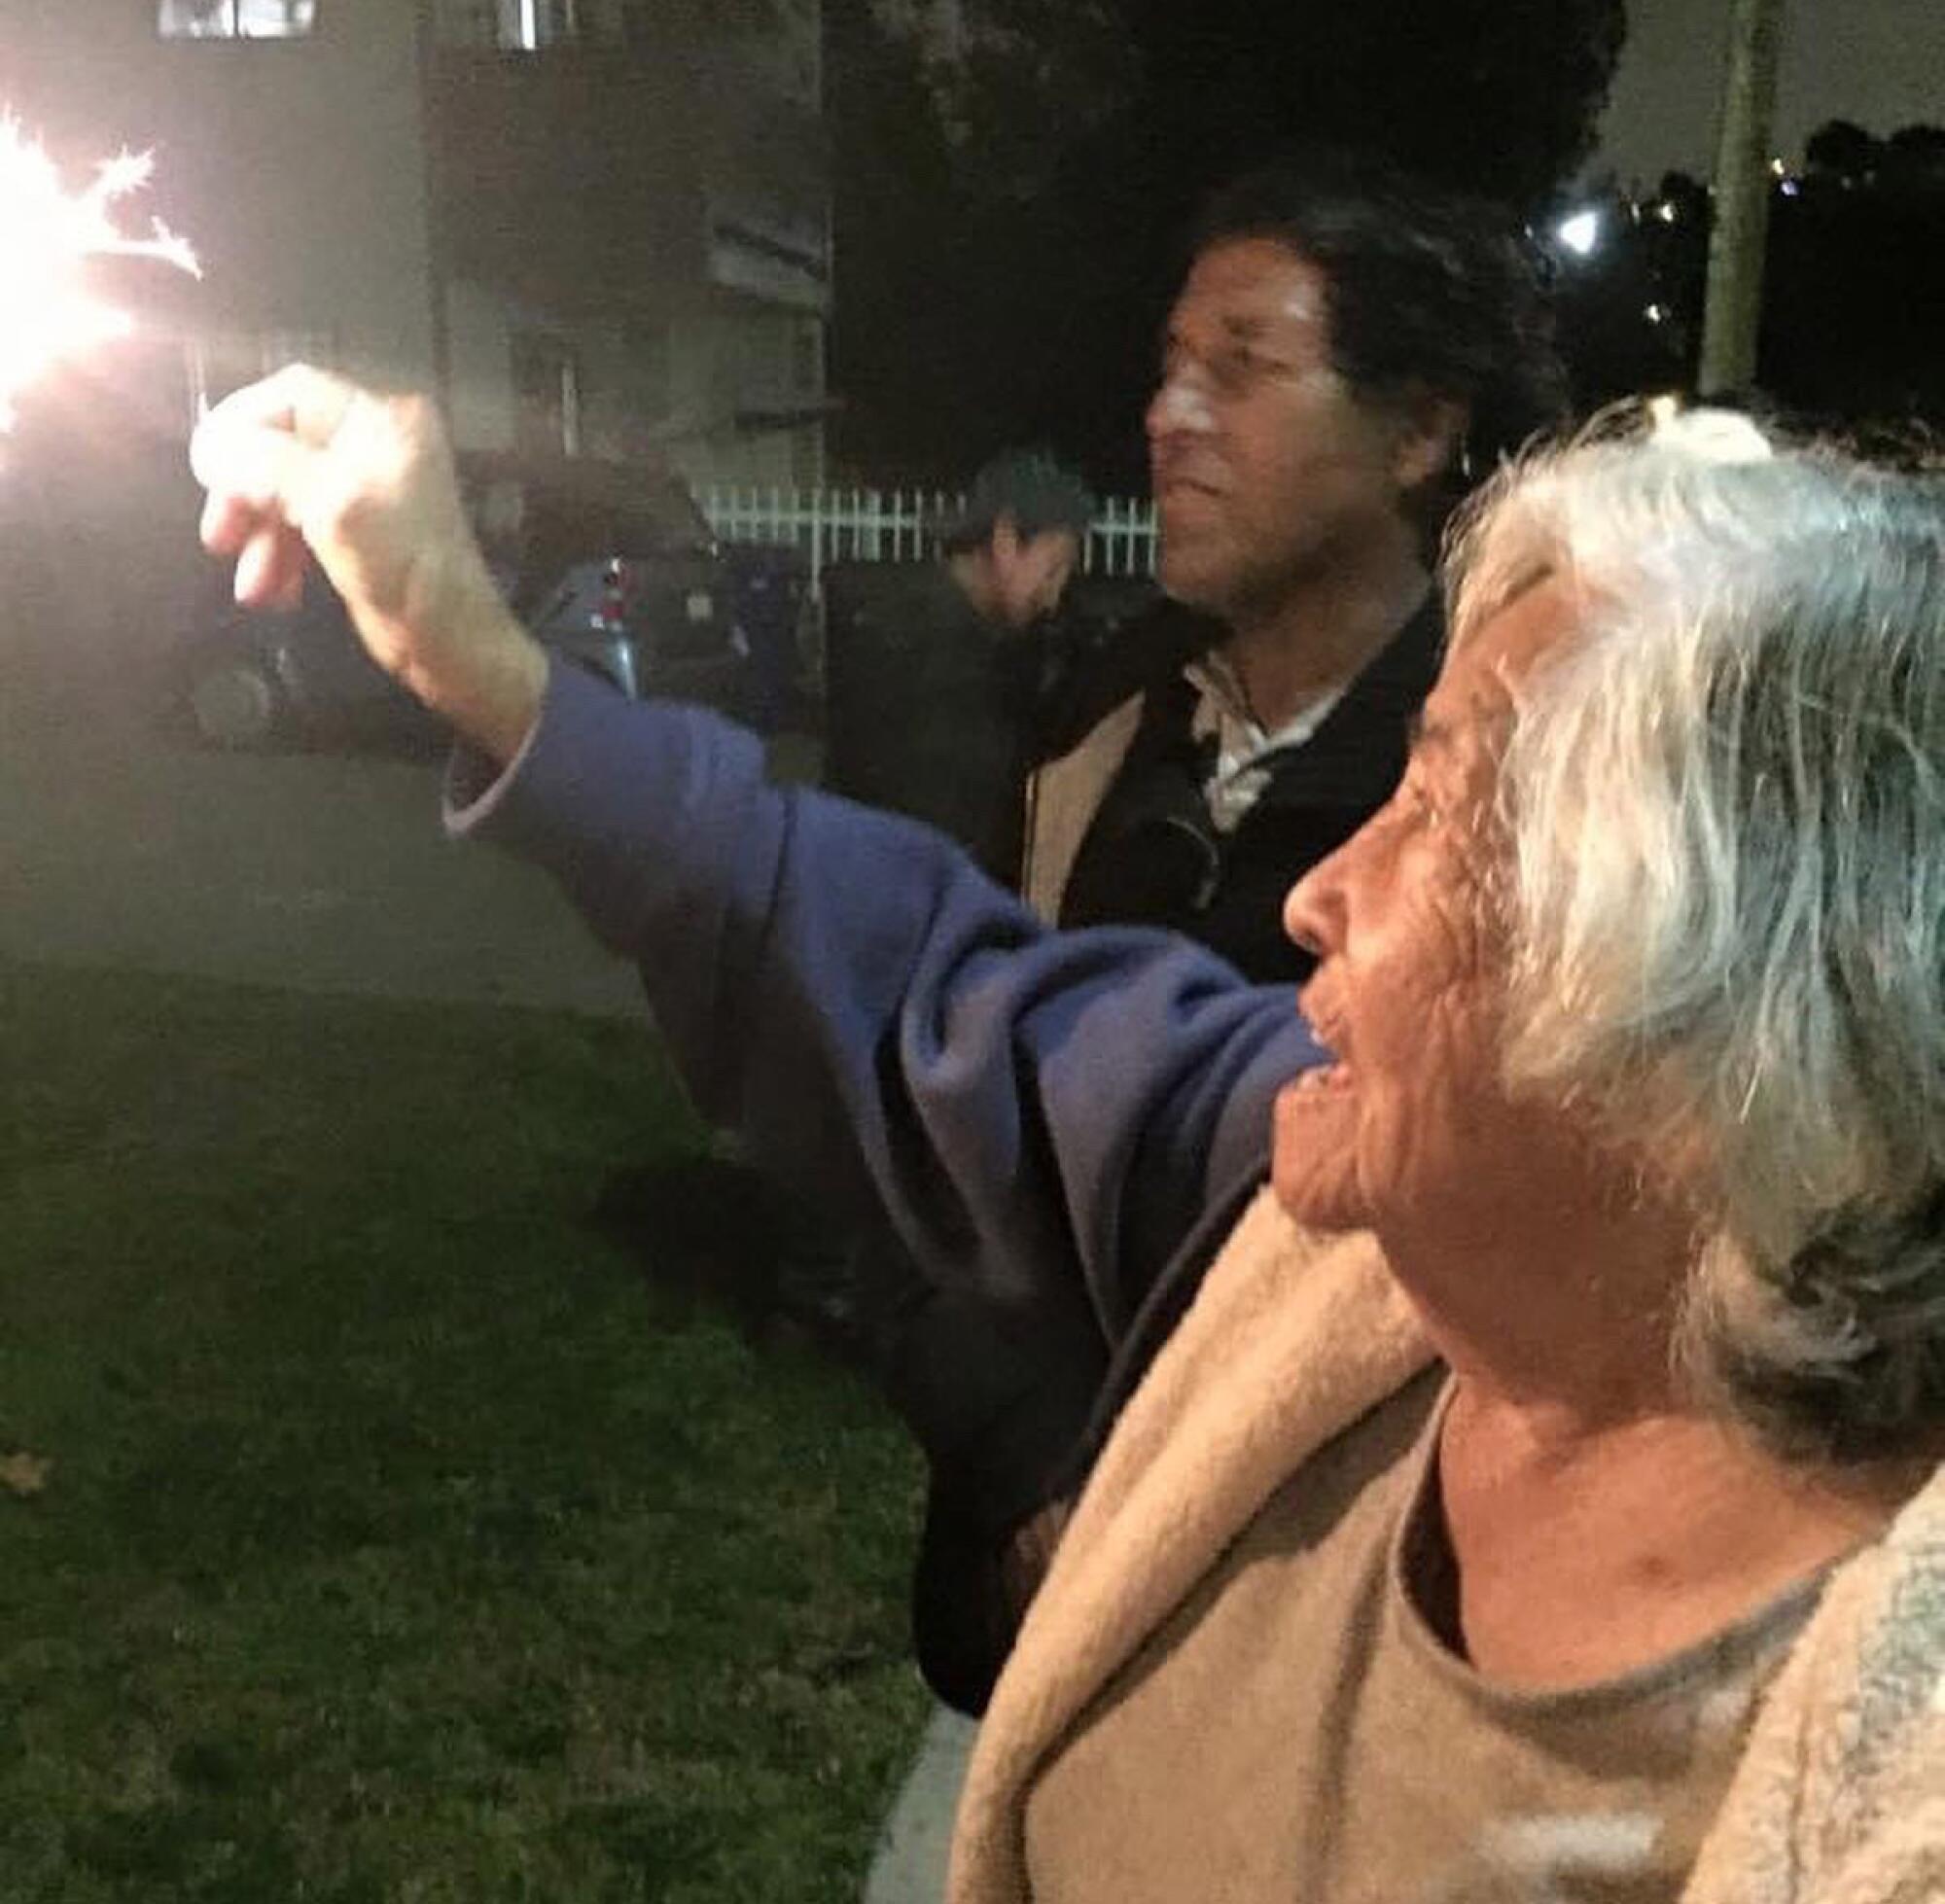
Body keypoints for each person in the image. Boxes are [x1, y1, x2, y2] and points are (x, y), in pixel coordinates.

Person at [194, 370, 1945, 1902]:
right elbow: (951, 1005)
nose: (1332, 891)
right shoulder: (1334, 1239)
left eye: (1453, 812)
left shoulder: (1867, 1765)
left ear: (1744, 1000)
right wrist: (476, 657)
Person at [1023, 152, 1566, 981]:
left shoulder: (1520, 789)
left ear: (1418, 432)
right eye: (1175, 364)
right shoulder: (1101, 720)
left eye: (1241, 368)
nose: (1168, 415)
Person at [824, 448, 1095, 888]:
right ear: (1006, 541)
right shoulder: (927, 654)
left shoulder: (986, 640)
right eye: (1052, 571)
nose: (1053, 596)